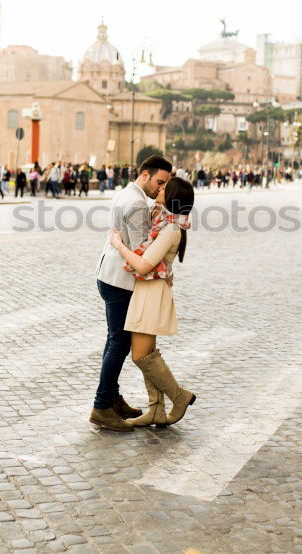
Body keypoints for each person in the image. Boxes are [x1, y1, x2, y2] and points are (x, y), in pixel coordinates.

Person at [90, 155, 173, 432]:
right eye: (159, 182)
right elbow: (142, 249)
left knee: (113, 341)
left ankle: (111, 398)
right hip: (121, 280)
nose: (160, 188)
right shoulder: (138, 203)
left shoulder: (126, 193)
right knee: (119, 345)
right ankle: (102, 406)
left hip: (108, 274)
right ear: (146, 174)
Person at [107, 175, 197, 428]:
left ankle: (179, 397)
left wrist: (118, 244)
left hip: (152, 293)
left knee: (140, 356)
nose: (160, 188)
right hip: (148, 292)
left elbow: (144, 264)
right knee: (148, 354)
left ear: (172, 197)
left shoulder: (170, 229)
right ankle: (156, 409)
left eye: (165, 187)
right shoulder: (164, 220)